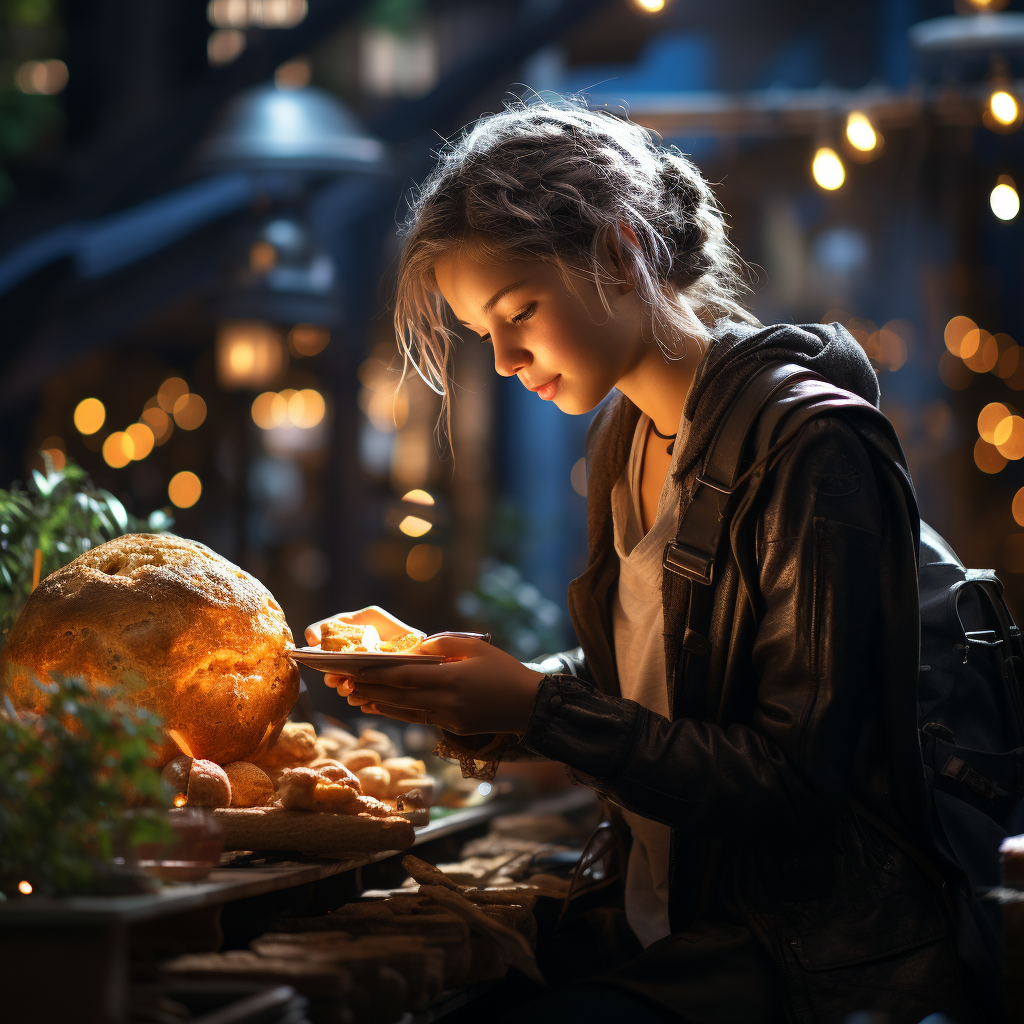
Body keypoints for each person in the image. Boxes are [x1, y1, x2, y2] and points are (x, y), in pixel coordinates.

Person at [306, 99, 978, 1023]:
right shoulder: (627, 438)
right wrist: (475, 688)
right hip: (661, 915)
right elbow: (674, 670)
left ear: (621, 254)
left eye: (519, 311)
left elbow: (792, 783)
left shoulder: (814, 448)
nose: (503, 358)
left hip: (798, 953)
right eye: (485, 332)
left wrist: (538, 710)